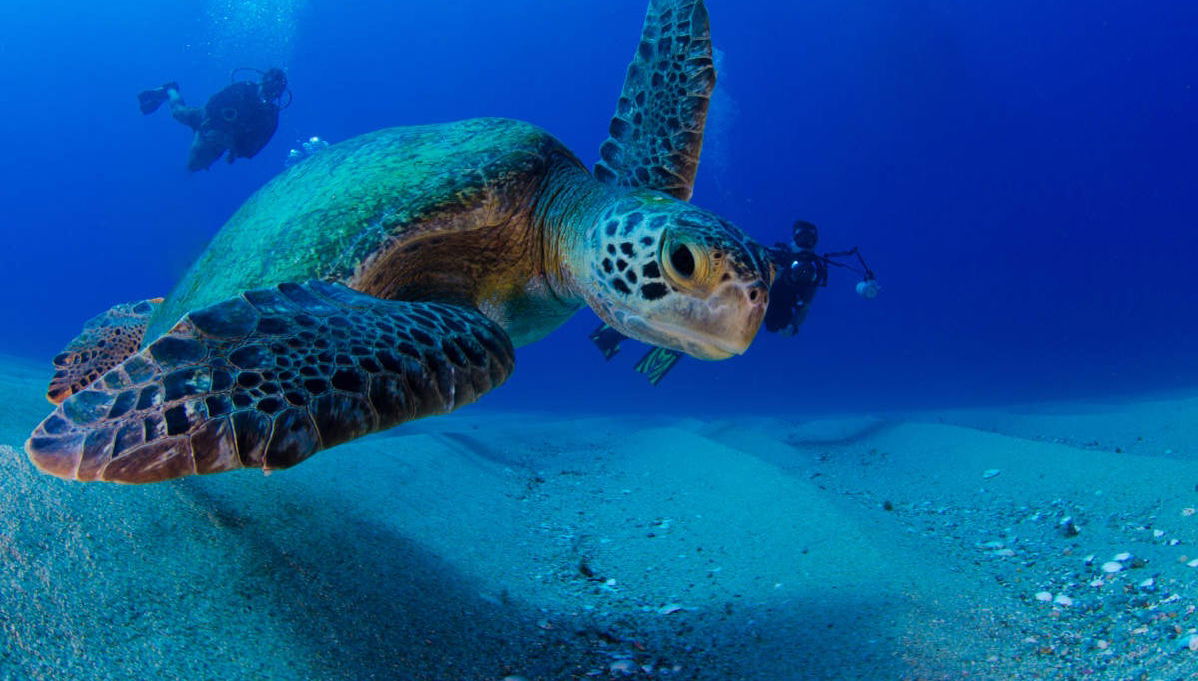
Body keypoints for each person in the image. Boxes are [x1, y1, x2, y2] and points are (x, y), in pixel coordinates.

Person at [590, 219, 878, 385]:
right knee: (688, 315)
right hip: (735, 306)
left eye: (810, 238)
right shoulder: (773, 255)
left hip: (770, 316)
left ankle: (652, 340)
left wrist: (796, 326)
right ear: (792, 238)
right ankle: (618, 328)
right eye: (800, 236)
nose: (805, 242)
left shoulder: (815, 269)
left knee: (711, 332)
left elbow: (806, 304)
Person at [138, 67, 290, 171]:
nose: (271, 93)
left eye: (276, 92)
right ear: (263, 81)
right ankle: (170, 89)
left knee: (195, 166)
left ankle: (169, 92)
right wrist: (209, 127)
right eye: (270, 87)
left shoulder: (270, 116)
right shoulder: (243, 88)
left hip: (223, 141)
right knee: (178, 112)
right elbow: (214, 103)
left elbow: (256, 144)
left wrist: (235, 149)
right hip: (205, 119)